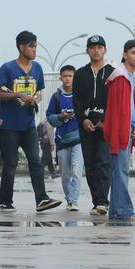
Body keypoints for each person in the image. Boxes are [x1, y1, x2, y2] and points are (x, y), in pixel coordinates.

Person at [0, 30, 62, 213]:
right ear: (21, 47)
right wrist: (18, 95)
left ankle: (42, 199)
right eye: (31, 45)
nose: (34, 49)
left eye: (35, 45)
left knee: (35, 161)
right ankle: (5, 200)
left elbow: (39, 92)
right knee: (10, 164)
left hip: (28, 125)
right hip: (8, 125)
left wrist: (34, 99)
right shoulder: (7, 68)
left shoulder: (37, 68)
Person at [73, 35, 114, 215]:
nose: (96, 50)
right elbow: (77, 100)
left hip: (106, 125)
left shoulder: (113, 72)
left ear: (105, 49)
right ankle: (96, 200)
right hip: (86, 125)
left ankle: (103, 201)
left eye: (99, 47)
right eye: (92, 47)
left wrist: (107, 121)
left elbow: (116, 100)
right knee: (89, 164)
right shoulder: (80, 73)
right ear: (87, 50)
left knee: (103, 162)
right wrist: (83, 119)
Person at [105, 39, 135, 221]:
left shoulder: (125, 76)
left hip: (123, 128)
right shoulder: (121, 77)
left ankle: (116, 211)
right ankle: (124, 212)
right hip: (120, 131)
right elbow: (124, 108)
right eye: (133, 53)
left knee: (118, 172)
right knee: (121, 172)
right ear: (124, 54)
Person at [46, 65, 83, 210]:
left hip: (79, 139)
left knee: (76, 169)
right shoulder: (56, 97)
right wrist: (61, 117)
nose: (67, 79)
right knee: (65, 173)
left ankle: (74, 200)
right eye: (65, 76)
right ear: (60, 77)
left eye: (71, 76)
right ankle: (69, 199)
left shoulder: (81, 95)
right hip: (62, 140)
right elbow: (50, 117)